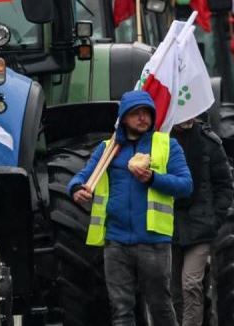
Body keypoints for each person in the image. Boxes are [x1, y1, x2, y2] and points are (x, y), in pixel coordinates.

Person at [68, 90, 193, 326]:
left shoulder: (167, 145)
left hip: (154, 242)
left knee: (160, 306)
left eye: (147, 113)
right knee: (121, 310)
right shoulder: (108, 149)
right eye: (136, 113)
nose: (143, 118)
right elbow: (83, 176)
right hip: (116, 241)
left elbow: (186, 185)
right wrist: (76, 188)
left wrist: (152, 179)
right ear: (124, 118)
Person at [169, 117, 233, 326]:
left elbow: (224, 185)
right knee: (173, 289)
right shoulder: (161, 140)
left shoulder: (209, 143)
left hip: (201, 227)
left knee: (191, 283)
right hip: (168, 226)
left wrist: (215, 219)